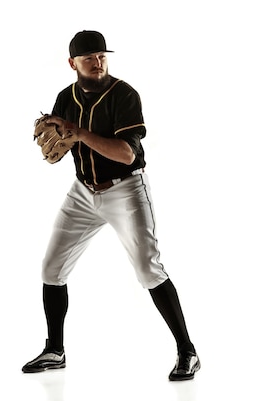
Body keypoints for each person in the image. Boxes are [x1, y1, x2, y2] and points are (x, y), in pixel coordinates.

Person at [22, 30, 201, 381]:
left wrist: (79, 133)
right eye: (89, 57)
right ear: (73, 63)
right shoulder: (65, 97)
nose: (98, 61)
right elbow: (60, 143)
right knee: (51, 269)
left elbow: (126, 153)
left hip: (126, 190)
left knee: (148, 270)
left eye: (102, 54)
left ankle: (187, 352)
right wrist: (57, 136)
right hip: (83, 193)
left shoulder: (124, 94)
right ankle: (54, 350)